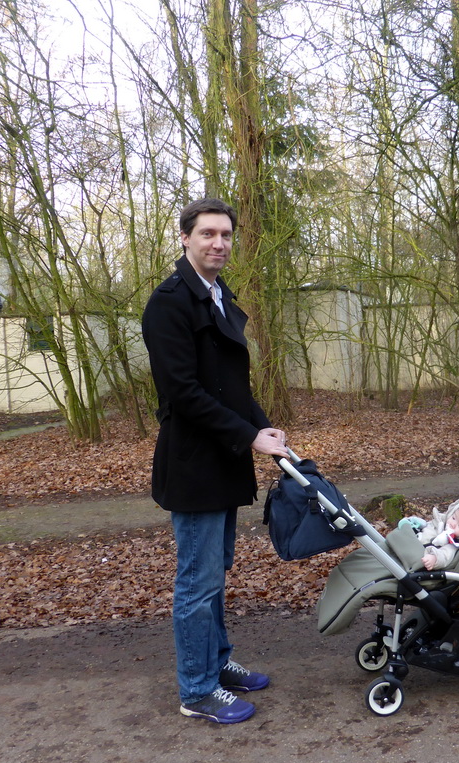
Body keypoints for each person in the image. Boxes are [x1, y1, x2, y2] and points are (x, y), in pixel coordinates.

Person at [141, 197, 289, 726]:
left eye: (226, 235)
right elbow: (183, 392)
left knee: (214, 576)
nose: (218, 244)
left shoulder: (218, 296)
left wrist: (262, 426)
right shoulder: (169, 303)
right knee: (196, 582)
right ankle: (197, 689)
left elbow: (230, 385)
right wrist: (250, 436)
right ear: (185, 238)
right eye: (207, 234)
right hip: (193, 464)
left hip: (224, 460)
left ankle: (217, 664)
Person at [398, 489, 459, 570]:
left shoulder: (453, 544)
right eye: (453, 518)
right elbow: (431, 526)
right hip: (410, 540)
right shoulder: (442, 522)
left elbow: (445, 555)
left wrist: (434, 558)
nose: (453, 524)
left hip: (415, 554)